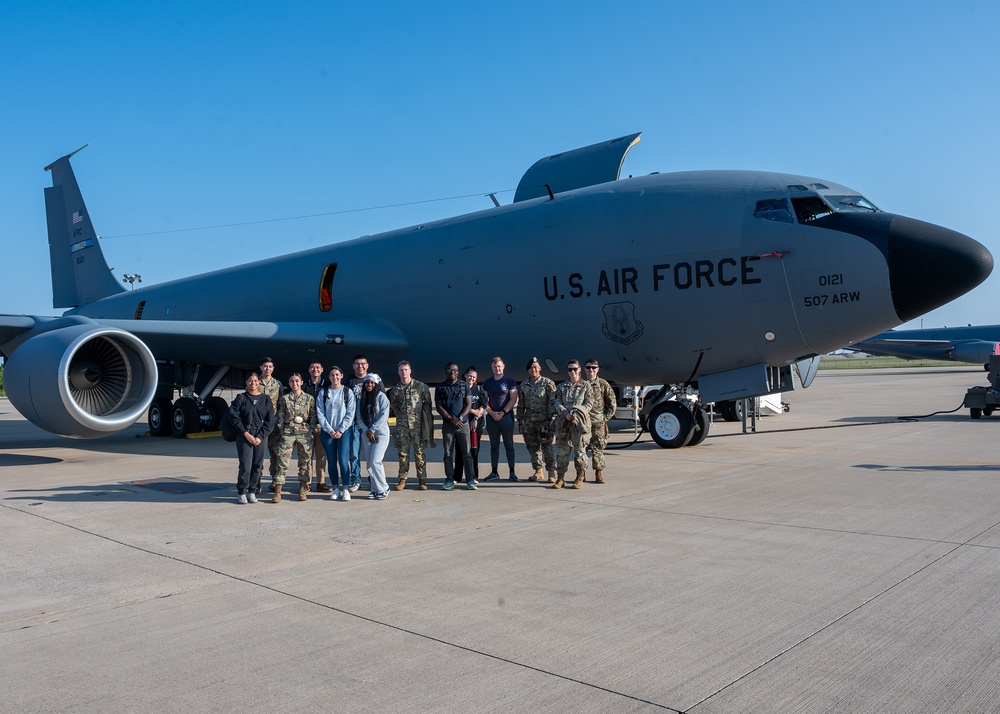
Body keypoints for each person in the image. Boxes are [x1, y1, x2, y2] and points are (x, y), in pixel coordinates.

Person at [228, 372, 275, 504]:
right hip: (244, 435)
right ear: (246, 382)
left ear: (259, 382)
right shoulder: (241, 398)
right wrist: (245, 434)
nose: (253, 383)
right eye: (250, 381)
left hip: (260, 436)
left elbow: (270, 421)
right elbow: (234, 417)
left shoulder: (266, 399)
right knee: (245, 465)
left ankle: (252, 491)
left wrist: (260, 436)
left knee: (257, 465)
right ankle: (242, 492)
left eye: (255, 381)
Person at [389, 360, 435, 491]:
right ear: (398, 372)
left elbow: (427, 406)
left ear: (410, 371)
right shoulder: (395, 391)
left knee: (420, 454)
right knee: (403, 453)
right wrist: (403, 419)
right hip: (402, 427)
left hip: (418, 427)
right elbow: (394, 408)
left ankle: (422, 479)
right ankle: (403, 479)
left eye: (406, 369)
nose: (404, 372)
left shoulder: (421, 387)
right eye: (401, 370)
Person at [272, 373, 317, 502]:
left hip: (304, 434)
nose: (294, 383)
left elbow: (313, 416)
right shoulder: (284, 399)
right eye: (292, 381)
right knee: (282, 461)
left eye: (297, 381)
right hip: (288, 432)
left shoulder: (309, 399)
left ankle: (302, 489)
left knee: (305, 462)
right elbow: (280, 416)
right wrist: (281, 429)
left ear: (302, 382)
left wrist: (310, 428)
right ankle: (278, 491)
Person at [316, 366, 356, 501]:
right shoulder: (323, 392)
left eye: (337, 375)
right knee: (332, 461)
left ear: (342, 375)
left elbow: (350, 413)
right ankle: (335, 488)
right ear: (329, 377)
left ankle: (345, 488)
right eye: (332, 375)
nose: (335, 377)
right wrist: (330, 430)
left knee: (344, 461)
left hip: (343, 432)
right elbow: (320, 413)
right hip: (328, 432)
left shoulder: (347, 392)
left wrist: (340, 430)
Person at [552, 360, 593, 489]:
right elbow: (556, 402)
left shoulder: (586, 386)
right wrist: (565, 412)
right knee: (562, 452)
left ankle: (579, 477)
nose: (573, 372)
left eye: (575, 369)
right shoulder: (561, 387)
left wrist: (577, 412)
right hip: (564, 423)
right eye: (570, 370)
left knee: (580, 452)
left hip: (578, 423)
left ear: (580, 370)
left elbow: (589, 403)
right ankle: (560, 478)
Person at [435, 362, 476, 491]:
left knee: (467, 453)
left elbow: (468, 404)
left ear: (458, 372)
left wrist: (461, 418)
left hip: (463, 425)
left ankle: (470, 479)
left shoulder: (464, 386)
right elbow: (439, 406)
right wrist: (451, 419)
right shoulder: (440, 387)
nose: (452, 372)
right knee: (448, 453)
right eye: (449, 370)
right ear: (445, 372)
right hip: (448, 425)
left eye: (455, 370)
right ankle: (449, 479)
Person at [516, 357, 557, 483]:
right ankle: (538, 471)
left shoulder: (548, 383)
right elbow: (521, 405)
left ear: (540, 368)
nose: (533, 369)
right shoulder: (523, 385)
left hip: (544, 422)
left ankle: (551, 472)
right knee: (533, 448)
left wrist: (548, 419)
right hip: (529, 422)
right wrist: (520, 422)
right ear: (528, 370)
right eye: (531, 367)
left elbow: (552, 402)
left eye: (535, 367)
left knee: (547, 447)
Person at [346, 355, 380, 494]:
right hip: (354, 424)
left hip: (370, 426)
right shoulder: (349, 381)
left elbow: (381, 400)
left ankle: (373, 479)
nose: (360, 366)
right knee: (354, 454)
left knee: (372, 455)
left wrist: (375, 427)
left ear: (367, 365)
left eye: (363, 364)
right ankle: (356, 479)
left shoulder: (375, 380)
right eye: (357, 364)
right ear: (353, 366)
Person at [481, 356, 519, 481]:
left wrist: (502, 412)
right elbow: (484, 400)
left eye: (499, 366)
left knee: (509, 445)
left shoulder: (510, 381)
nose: (497, 368)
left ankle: (512, 472)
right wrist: (491, 413)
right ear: (491, 368)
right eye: (494, 366)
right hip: (492, 418)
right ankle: (494, 472)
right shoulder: (487, 383)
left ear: (503, 366)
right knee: (494, 445)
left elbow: (513, 399)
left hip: (506, 417)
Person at [357, 373, 391, 500]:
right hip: (367, 434)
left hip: (380, 433)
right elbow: (359, 418)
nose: (369, 385)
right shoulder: (362, 399)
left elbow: (384, 416)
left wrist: (373, 429)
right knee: (369, 464)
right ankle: (375, 489)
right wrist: (367, 430)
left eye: (372, 383)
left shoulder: (382, 397)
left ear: (376, 385)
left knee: (376, 461)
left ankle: (384, 488)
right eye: (367, 382)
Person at [583, 359, 617, 484]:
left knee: (598, 450)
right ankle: (581, 474)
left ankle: (598, 473)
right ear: (585, 369)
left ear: (597, 369)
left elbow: (612, 404)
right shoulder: (581, 384)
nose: (591, 370)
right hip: (583, 425)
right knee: (581, 450)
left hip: (598, 424)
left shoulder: (603, 384)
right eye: (588, 367)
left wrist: (604, 418)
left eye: (593, 367)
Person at [301, 360, 333, 494]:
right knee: (307, 456)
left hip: (322, 426)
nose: (315, 370)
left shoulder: (327, 386)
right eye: (312, 367)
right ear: (309, 370)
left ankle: (321, 482)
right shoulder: (304, 386)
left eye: (317, 367)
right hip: (307, 427)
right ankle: (307, 483)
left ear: (322, 370)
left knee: (321, 456)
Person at [454, 366, 485, 485]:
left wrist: (477, 416)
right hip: (462, 423)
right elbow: (460, 405)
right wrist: (473, 411)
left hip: (475, 426)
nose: (471, 378)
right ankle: (457, 476)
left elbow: (483, 403)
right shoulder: (460, 388)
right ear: (465, 375)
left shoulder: (479, 389)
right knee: (460, 450)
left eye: (474, 377)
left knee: (474, 451)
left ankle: (473, 476)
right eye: (469, 376)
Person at [259, 357, 283, 489]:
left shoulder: (277, 384)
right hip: (258, 424)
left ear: (273, 369)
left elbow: (281, 404)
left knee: (275, 453)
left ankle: (274, 481)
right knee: (258, 454)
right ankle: (256, 481)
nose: (267, 369)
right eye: (265, 366)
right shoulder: (255, 382)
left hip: (273, 424)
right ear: (261, 367)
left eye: (270, 367)